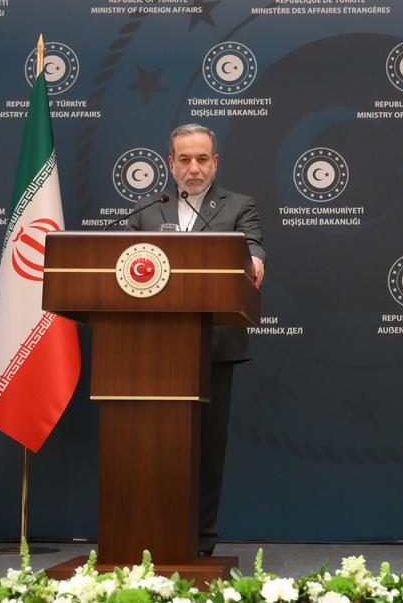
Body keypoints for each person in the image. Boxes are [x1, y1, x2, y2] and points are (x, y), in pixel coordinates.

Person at [127, 123, 265, 555]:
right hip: (154, 347)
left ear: (215, 162)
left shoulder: (239, 205)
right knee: (153, 444)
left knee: (207, 446)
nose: (194, 168)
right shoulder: (147, 208)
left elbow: (253, 248)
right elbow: (121, 263)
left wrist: (255, 260)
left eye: (202, 159)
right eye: (184, 159)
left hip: (215, 345)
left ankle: (202, 540)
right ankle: (152, 534)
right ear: (170, 163)